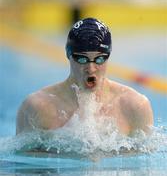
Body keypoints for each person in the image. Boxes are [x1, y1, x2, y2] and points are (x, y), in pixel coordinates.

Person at [16, 18, 153, 136]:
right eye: (82, 59)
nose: (91, 68)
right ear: (68, 55)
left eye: (99, 59)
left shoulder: (135, 106)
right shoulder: (36, 108)